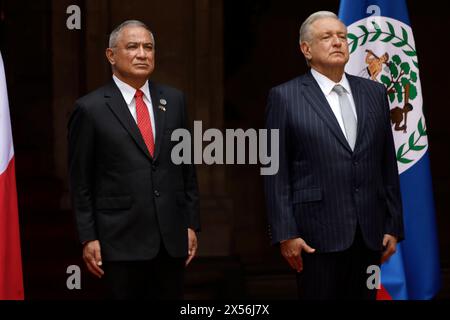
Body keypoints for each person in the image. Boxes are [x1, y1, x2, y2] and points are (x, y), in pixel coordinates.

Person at [264, 11, 404, 300]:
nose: (337, 42)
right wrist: (285, 233)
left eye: (342, 36)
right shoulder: (285, 97)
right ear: (306, 49)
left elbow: (387, 163)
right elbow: (274, 170)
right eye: (326, 37)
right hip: (315, 237)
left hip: (370, 236)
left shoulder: (375, 93)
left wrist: (393, 224)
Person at [68, 20, 200, 299]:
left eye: (148, 47)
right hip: (119, 241)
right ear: (111, 55)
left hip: (170, 240)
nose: (142, 53)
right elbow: (80, 181)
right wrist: (88, 236)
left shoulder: (174, 100)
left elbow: (187, 168)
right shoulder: (90, 108)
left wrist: (190, 223)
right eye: (132, 47)